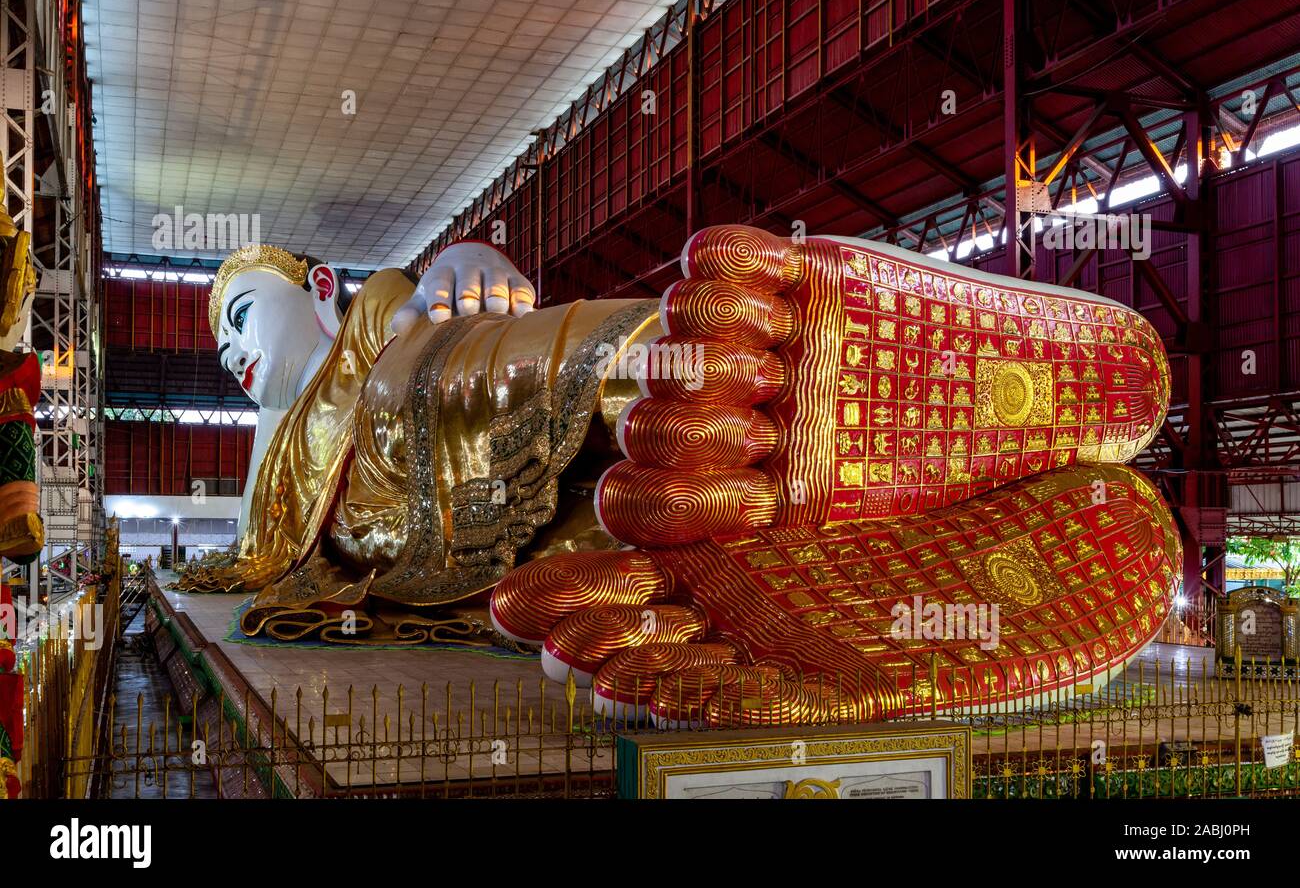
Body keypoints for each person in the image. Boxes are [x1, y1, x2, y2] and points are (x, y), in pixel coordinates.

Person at [180, 225, 1176, 721]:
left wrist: (455, 266)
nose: (232, 359)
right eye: (220, 356)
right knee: (638, 527)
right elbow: (287, 557)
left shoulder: (371, 324)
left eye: (237, 319)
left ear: (315, 287)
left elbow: (422, 304)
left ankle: (747, 372)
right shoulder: (275, 492)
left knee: (519, 381)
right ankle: (804, 524)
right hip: (451, 542)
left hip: (417, 407)